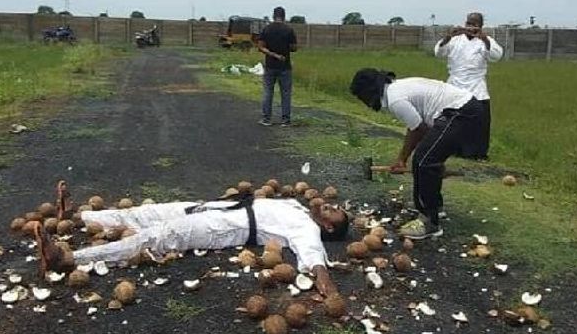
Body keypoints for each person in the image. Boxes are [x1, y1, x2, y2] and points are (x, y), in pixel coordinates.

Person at [31, 197, 349, 297]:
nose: (330, 205)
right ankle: (79, 216)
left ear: (329, 226)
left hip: (222, 229)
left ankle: (67, 258)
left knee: (153, 237)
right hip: (214, 207)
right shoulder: (297, 205)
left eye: (334, 211)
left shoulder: (309, 230)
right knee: (144, 214)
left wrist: (327, 286)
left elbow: (313, 259)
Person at [350, 69, 483, 239]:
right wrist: (403, 159)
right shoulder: (396, 90)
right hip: (463, 110)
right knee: (427, 159)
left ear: (368, 92)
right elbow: (415, 127)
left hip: (461, 112)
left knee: (423, 161)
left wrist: (413, 158)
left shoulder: (395, 99)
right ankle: (434, 208)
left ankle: (429, 221)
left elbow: (420, 130)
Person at [434, 12, 503, 160]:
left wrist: (484, 38)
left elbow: (496, 56)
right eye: (469, 23)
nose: (471, 27)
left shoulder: (486, 41)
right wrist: (449, 36)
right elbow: (438, 53)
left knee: (479, 122)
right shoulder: (455, 39)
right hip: (455, 85)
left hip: (476, 87)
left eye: (475, 24)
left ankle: (477, 153)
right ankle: (451, 149)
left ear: (481, 26)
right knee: (452, 121)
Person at [257, 6, 297, 127]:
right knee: (285, 93)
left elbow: (260, 47)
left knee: (268, 92)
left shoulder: (266, 29)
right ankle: (285, 120)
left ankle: (266, 119)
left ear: (273, 16)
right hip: (285, 66)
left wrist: (272, 54)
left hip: (270, 65)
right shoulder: (289, 30)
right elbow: (294, 48)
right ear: (284, 16)